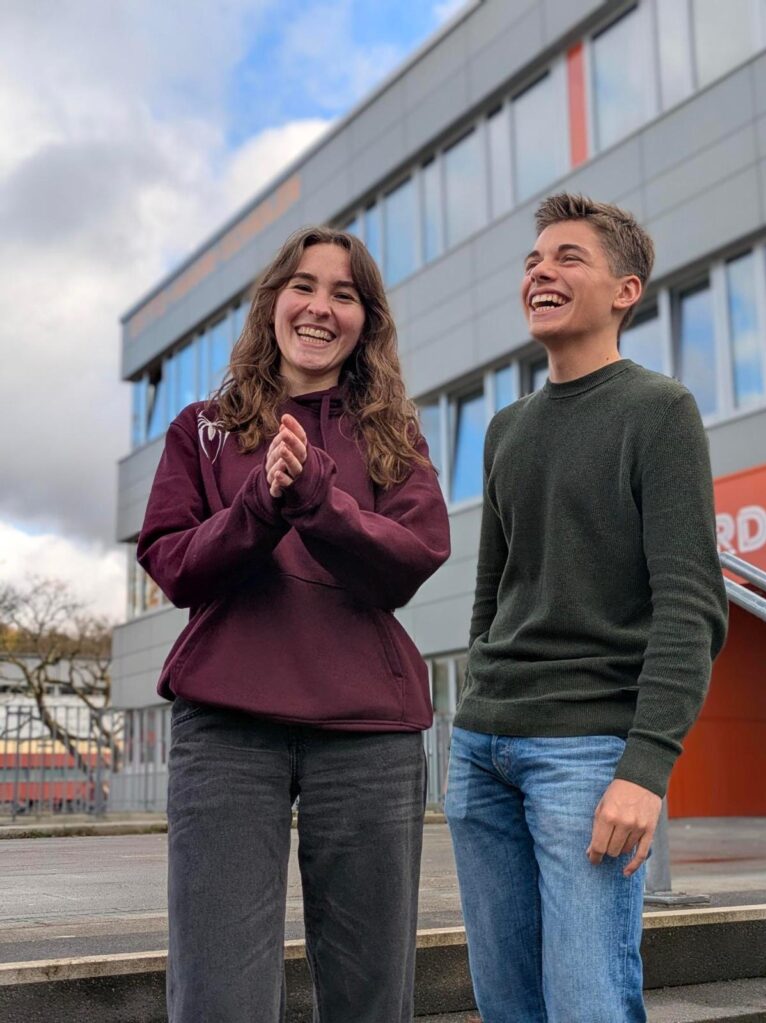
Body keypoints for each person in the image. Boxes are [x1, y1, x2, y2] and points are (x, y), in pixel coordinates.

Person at [137, 226, 450, 1023]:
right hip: (226, 730)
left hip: (370, 732)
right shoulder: (202, 429)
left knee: (370, 993)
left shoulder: (393, 436)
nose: (319, 306)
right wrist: (261, 506)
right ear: (272, 301)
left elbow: (414, 555)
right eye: (303, 285)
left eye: (344, 294)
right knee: (219, 993)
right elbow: (172, 562)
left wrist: (318, 499)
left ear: (366, 320)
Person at [444, 193, 728, 1023]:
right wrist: (477, 694)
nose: (541, 271)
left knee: (588, 1003)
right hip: (482, 751)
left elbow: (691, 604)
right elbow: (492, 592)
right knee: (507, 1004)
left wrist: (646, 767)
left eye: (568, 257)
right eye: (533, 260)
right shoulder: (505, 428)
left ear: (625, 290)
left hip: (588, 755)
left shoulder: (659, 411)